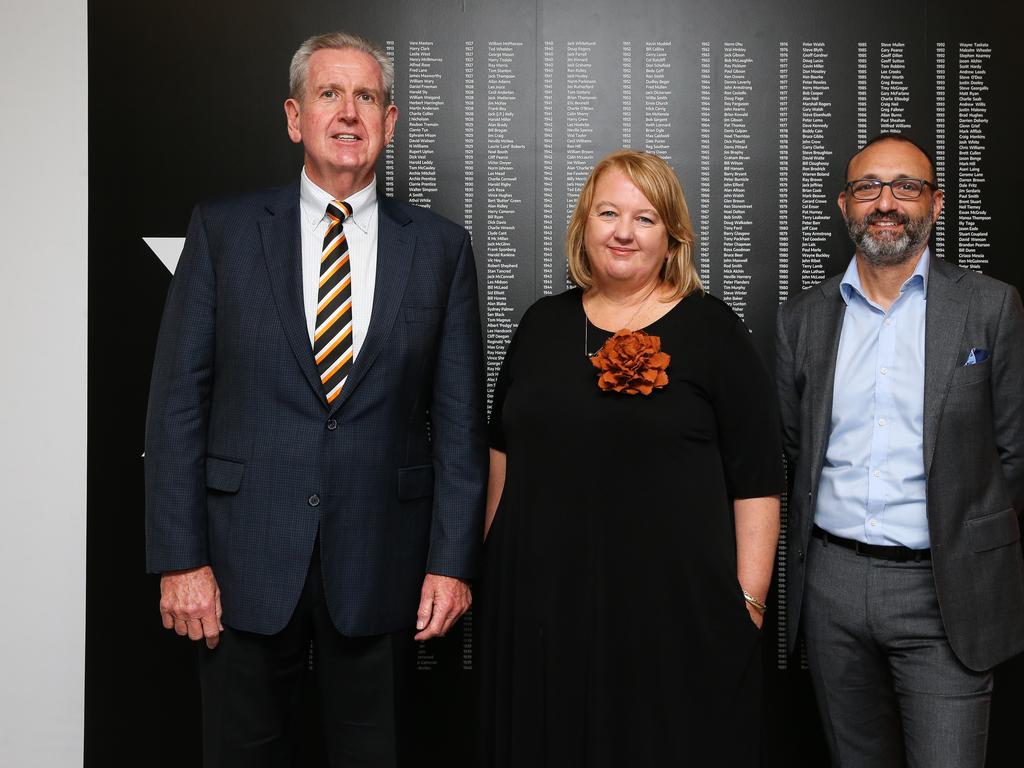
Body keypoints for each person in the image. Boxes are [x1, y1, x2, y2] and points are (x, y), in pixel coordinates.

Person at [144, 31, 487, 766]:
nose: (349, 112)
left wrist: (451, 564)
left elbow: (460, 427)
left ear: (390, 122)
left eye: (366, 96)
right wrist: (180, 559)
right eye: (329, 94)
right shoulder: (225, 232)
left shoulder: (440, 249)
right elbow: (177, 407)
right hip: (236, 570)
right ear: (295, 117)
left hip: (382, 569)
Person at [479, 150, 783, 767]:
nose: (623, 231)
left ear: (671, 235)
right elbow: (501, 451)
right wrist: (500, 567)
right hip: (545, 613)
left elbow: (758, 480)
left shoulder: (715, 333)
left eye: (644, 218)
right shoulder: (541, 324)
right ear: (583, 227)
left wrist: (746, 607)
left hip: (672, 621)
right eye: (608, 213)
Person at [776, 133, 1024, 768]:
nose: (886, 202)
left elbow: (1013, 450)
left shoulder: (990, 306)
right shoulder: (802, 318)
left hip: (946, 589)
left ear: (936, 204)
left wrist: (968, 542)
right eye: (868, 188)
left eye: (906, 187)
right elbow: (793, 448)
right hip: (831, 586)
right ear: (845, 206)